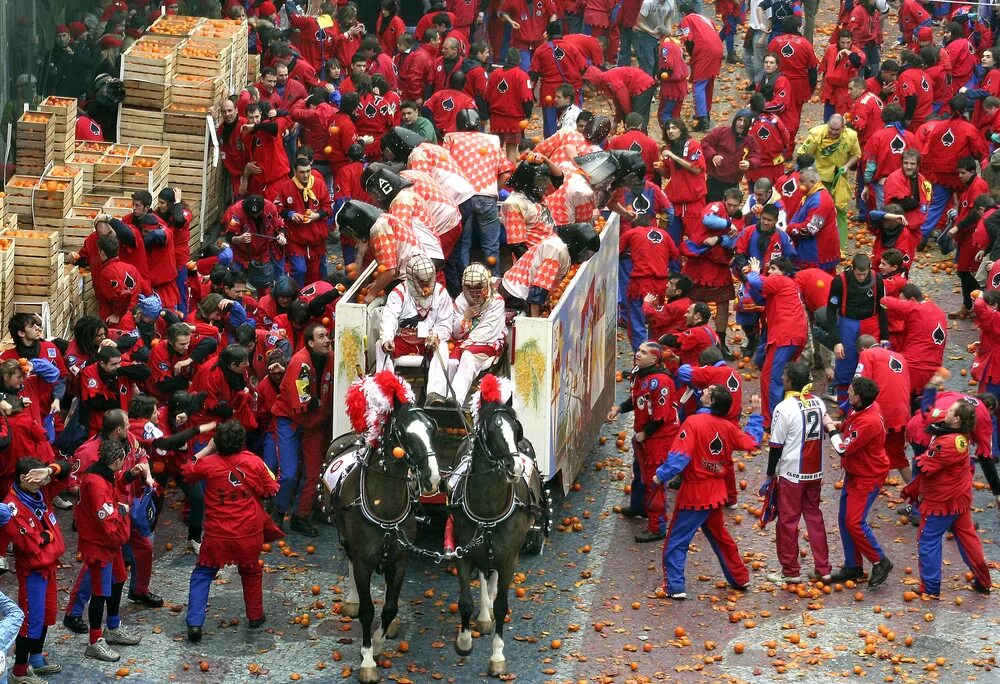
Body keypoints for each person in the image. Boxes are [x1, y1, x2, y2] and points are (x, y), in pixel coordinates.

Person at [653, 388, 763, 599]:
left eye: (708, 391)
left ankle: (675, 586)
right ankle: (740, 577)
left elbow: (680, 456)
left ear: (710, 401)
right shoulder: (727, 427)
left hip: (695, 493)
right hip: (716, 491)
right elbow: (751, 442)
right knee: (720, 536)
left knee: (676, 540)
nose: (704, 391)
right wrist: (756, 417)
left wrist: (661, 475)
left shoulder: (693, 422)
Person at [184, 420, 280, 642]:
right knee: (251, 571)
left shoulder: (208, 464)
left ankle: (195, 623)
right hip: (248, 533)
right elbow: (271, 489)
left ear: (218, 443)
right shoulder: (254, 462)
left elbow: (188, 471)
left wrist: (207, 450)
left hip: (217, 535)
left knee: (203, 574)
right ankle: (255, 615)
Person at [902, 398, 993, 597]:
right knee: (968, 539)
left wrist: (922, 459)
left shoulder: (949, 443)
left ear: (957, 419)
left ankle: (931, 587)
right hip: (958, 498)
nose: (946, 411)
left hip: (942, 501)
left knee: (928, 540)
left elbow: (926, 467)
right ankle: (984, 580)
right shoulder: (956, 436)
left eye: (950, 410)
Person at [0, 458, 69, 682]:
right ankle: (19, 671)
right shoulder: (12, 507)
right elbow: (29, 545)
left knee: (47, 614)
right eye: (36, 479)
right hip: (32, 572)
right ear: (22, 478)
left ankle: (37, 660)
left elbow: (68, 469)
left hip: (48, 566)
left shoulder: (36, 493)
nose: (41, 483)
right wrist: (49, 536)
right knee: (30, 620)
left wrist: (48, 470)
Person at [76, 439, 144, 662]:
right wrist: (122, 510)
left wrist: (130, 475)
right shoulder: (96, 483)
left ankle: (112, 627)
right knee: (99, 593)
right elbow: (106, 517)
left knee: (117, 581)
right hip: (100, 545)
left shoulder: (104, 472)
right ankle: (95, 641)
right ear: (117, 460)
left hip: (111, 545)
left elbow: (115, 484)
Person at [764, 360, 831, 584]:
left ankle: (790, 571)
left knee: (787, 522)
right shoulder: (819, 403)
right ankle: (824, 568)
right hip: (815, 473)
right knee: (815, 518)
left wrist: (770, 473)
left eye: (785, 377)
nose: (782, 380)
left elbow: (775, 446)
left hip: (792, 474)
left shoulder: (784, 408)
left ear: (790, 381)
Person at [824, 377, 894, 588]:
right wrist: (839, 425)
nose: (848, 394)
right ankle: (853, 565)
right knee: (845, 518)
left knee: (854, 521)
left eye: (851, 392)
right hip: (857, 472)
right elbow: (850, 426)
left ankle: (880, 560)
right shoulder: (863, 409)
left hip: (867, 476)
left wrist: (830, 428)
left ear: (858, 398)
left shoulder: (867, 421)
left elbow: (843, 448)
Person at [607, 342, 679, 543]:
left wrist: (645, 434)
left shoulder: (661, 382)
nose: (638, 354)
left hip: (658, 438)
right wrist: (619, 409)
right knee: (639, 472)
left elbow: (660, 416)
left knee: (654, 479)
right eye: (638, 350)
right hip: (645, 435)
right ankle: (640, 506)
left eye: (643, 352)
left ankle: (657, 526)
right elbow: (637, 399)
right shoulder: (640, 373)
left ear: (655, 359)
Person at [270, 324, 334, 537]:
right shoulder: (300, 361)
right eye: (321, 337)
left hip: (315, 423)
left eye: (328, 336)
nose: (327, 340)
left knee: (315, 473)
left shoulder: (332, 358)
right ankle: (277, 512)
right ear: (310, 342)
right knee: (289, 473)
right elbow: (304, 401)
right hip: (291, 420)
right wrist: (315, 403)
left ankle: (301, 516)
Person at [746, 257, 808, 426]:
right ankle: (786, 415)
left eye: (773, 268)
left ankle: (772, 420)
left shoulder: (780, 280)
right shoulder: (788, 285)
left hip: (784, 335)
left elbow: (756, 281)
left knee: (771, 377)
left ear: (784, 272)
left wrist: (753, 270)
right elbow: (758, 296)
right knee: (785, 377)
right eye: (769, 270)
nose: (770, 272)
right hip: (796, 335)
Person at [377, 255, 454, 383]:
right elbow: (389, 317)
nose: (426, 285)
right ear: (411, 278)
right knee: (380, 346)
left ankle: (435, 395)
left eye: (429, 280)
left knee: (443, 348)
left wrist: (436, 335)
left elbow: (445, 323)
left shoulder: (441, 293)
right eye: (421, 281)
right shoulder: (399, 293)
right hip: (403, 340)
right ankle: (385, 390)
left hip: (428, 341)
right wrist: (387, 339)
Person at [441, 264, 508, 407]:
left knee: (467, 356)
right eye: (470, 288)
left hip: (489, 343)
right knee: (451, 362)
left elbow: (487, 332)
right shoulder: (461, 300)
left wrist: (465, 344)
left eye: (479, 287)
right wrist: (466, 316)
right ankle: (443, 400)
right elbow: (455, 332)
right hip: (464, 343)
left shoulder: (496, 301)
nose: (475, 292)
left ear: (486, 285)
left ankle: (456, 401)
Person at [500, 223, 600, 316]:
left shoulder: (562, 249)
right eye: (585, 253)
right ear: (577, 243)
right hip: (515, 294)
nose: (584, 258)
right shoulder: (556, 250)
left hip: (523, 293)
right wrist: (534, 321)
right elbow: (539, 289)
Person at [796, 115, 862, 245]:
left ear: (843, 128)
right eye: (831, 128)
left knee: (841, 210)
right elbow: (802, 154)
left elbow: (857, 154)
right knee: (819, 210)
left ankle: (840, 246)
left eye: (837, 130)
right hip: (819, 179)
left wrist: (847, 166)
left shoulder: (851, 136)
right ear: (827, 124)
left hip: (839, 178)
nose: (833, 132)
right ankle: (818, 242)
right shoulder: (816, 134)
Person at [855, 335, 911, 485]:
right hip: (901, 412)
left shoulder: (867, 354)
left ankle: (868, 488)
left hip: (881, 412)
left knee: (866, 451)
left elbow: (859, 385)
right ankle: (916, 496)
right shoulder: (899, 356)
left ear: (861, 350)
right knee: (897, 455)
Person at [268, 157, 333, 286]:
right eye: (302, 172)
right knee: (299, 269)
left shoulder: (319, 185)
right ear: (294, 172)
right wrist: (290, 214)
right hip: (296, 237)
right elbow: (278, 207)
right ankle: (297, 296)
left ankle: (310, 299)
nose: (306, 175)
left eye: (308, 171)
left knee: (314, 273)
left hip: (316, 238)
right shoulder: (285, 187)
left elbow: (328, 207)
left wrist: (317, 215)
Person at [882, 284, 947, 395]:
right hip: (934, 367)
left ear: (912, 300)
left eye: (903, 301)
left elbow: (885, 301)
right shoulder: (939, 311)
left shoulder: (915, 308)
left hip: (914, 366)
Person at [678, 3, 724, 132]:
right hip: (718, 49)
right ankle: (706, 113)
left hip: (704, 51)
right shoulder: (706, 19)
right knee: (708, 82)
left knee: (698, 84)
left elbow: (687, 40)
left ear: (682, 13)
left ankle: (702, 119)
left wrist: (692, 56)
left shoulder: (686, 19)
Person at [660, 119, 707, 245]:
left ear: (681, 130)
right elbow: (667, 174)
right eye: (668, 128)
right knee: (672, 241)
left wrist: (674, 157)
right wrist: (658, 167)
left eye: (674, 128)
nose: (670, 131)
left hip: (693, 203)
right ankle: (675, 265)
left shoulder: (693, 145)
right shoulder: (668, 148)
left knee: (696, 240)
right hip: (675, 203)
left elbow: (697, 169)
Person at [700, 110, 755, 201]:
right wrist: (713, 155)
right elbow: (705, 143)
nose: (741, 124)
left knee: (730, 210)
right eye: (739, 120)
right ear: (735, 120)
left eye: (745, 121)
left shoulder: (750, 140)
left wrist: (749, 163)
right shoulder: (721, 131)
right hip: (714, 181)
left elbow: (756, 156)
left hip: (732, 184)